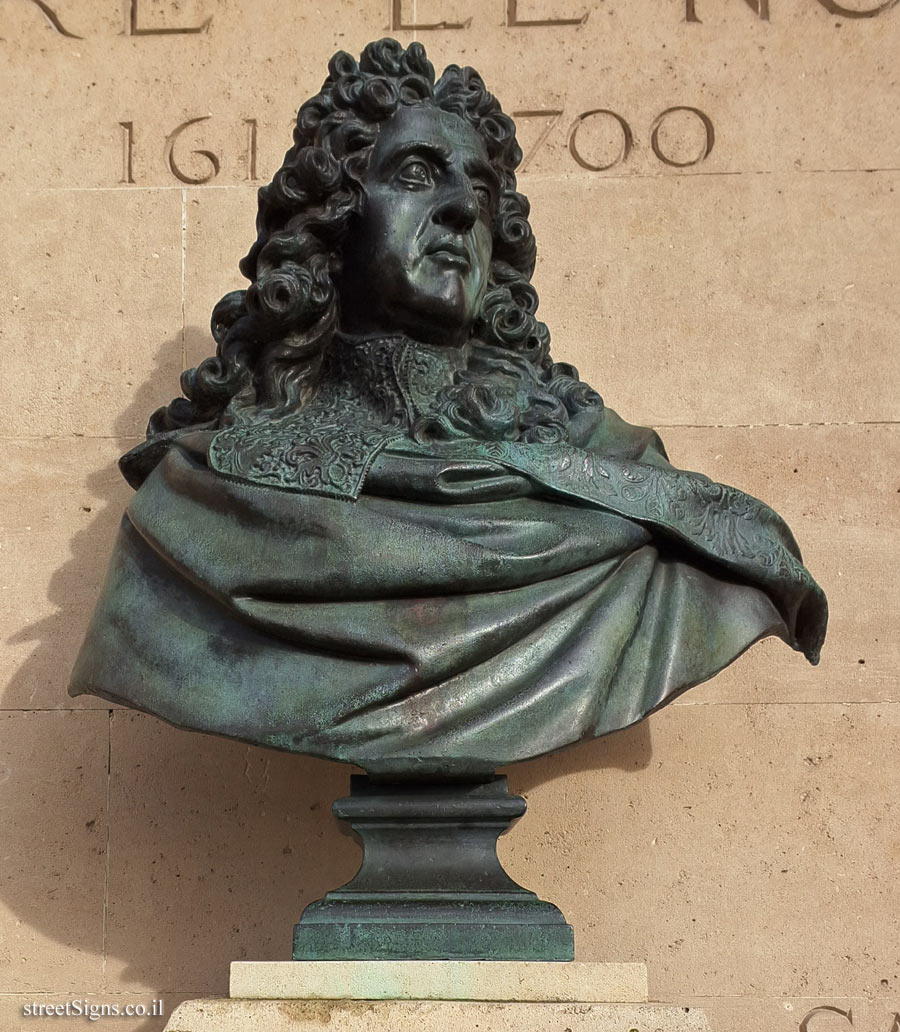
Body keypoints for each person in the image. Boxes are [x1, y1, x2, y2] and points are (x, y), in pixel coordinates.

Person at [70, 39, 827, 777]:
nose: (463, 207)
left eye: (481, 189)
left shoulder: (622, 484)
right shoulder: (195, 507)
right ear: (335, 223)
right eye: (417, 175)